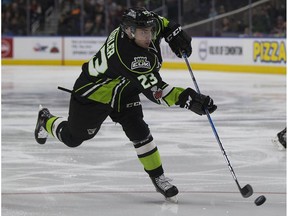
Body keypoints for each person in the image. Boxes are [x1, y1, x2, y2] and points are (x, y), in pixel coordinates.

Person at [34, 7, 217, 201]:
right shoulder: (130, 57)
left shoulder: (140, 24)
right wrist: (188, 98)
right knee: (73, 138)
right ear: (129, 32)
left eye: (150, 31)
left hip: (125, 89)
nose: (148, 36)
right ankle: (46, 120)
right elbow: (157, 92)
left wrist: (173, 30)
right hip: (95, 94)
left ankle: (158, 177)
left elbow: (159, 21)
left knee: (139, 131)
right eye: (143, 33)